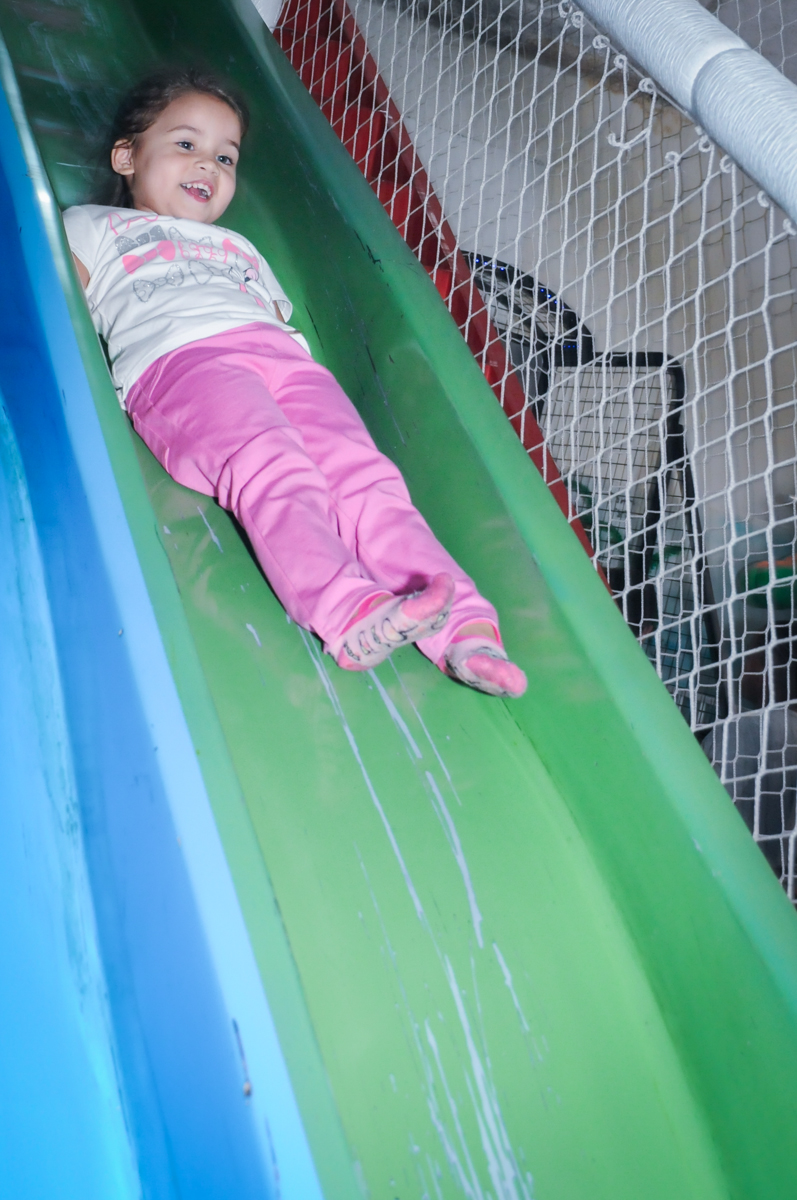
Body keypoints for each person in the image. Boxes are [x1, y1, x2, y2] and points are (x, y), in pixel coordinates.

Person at [63, 67, 526, 698]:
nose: (209, 165)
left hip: (285, 363)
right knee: (273, 465)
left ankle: (464, 629)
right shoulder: (91, 224)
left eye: (226, 156)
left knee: (366, 477)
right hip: (180, 364)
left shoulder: (240, 246)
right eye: (185, 144)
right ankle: (347, 611)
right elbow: (56, 302)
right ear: (127, 155)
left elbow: (274, 317)